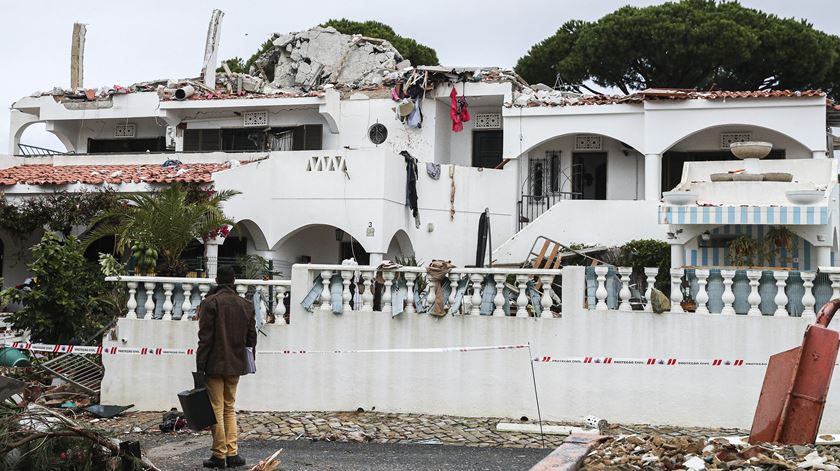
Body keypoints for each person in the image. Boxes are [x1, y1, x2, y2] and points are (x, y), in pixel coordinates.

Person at [196, 266, 257, 469]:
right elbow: (251, 338)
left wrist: (200, 366)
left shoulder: (210, 303)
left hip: (214, 364)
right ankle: (232, 453)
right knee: (229, 407)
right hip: (236, 364)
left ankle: (219, 455)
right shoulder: (246, 305)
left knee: (216, 408)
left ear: (216, 280)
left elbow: (204, 339)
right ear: (234, 281)